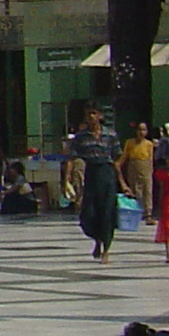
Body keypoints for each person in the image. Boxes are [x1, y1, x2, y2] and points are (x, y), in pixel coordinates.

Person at [70, 106, 121, 260]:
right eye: (88, 114)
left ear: (99, 115)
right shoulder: (81, 137)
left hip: (107, 173)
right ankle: (97, 239)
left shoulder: (110, 135)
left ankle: (106, 249)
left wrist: (122, 181)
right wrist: (67, 179)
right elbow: (71, 158)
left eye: (94, 113)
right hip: (91, 173)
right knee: (89, 212)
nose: (91, 117)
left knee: (107, 212)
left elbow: (118, 157)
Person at [155, 146, 169, 265]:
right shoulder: (163, 173)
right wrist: (160, 202)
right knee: (168, 226)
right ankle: (168, 253)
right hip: (168, 201)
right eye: (167, 160)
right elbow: (161, 189)